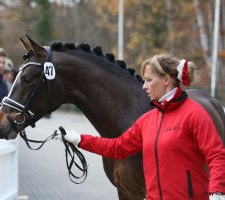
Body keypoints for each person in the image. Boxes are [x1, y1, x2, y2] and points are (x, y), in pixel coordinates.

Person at [57, 54, 225, 200]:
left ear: (166, 79)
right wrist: (79, 140)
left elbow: (217, 156)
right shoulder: (147, 120)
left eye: (149, 80)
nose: (144, 86)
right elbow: (117, 147)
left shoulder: (195, 113)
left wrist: (217, 193)